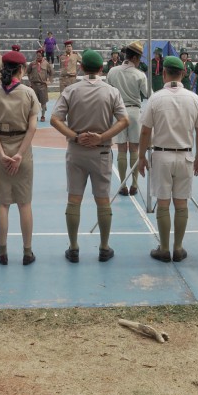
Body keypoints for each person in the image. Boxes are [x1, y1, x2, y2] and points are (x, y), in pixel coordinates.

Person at [52, 49, 129, 262]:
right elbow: (124, 120)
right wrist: (102, 136)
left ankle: (74, 247)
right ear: (102, 68)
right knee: (103, 200)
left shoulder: (71, 90)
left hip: (77, 151)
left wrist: (75, 137)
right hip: (101, 150)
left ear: (81, 67)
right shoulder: (111, 92)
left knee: (74, 199)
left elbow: (55, 119)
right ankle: (104, 247)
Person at [138, 55, 198, 263]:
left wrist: (141, 156)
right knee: (182, 203)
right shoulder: (193, 98)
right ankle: (178, 247)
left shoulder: (156, 98)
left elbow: (145, 131)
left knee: (164, 203)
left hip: (161, 154)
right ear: (183, 74)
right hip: (185, 154)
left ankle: (164, 248)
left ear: (164, 73)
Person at [0, 50, 40, 266]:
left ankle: (3, 252)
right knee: (24, 204)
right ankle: (27, 252)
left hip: (2, 148)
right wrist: (19, 154)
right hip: (22, 151)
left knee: (3, 203)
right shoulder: (28, 93)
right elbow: (33, 127)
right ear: (21, 69)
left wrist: (1, 154)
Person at [106, 41, 149, 196]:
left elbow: (108, 92)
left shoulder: (112, 72)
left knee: (122, 148)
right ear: (136, 58)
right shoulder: (139, 74)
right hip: (134, 112)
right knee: (134, 149)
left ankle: (123, 185)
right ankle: (135, 185)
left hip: (118, 113)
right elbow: (148, 93)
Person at [28, 49, 54, 122]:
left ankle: (43, 115)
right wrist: (30, 80)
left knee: (43, 102)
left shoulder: (46, 64)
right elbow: (28, 72)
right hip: (34, 86)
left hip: (43, 86)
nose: (38, 57)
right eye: (37, 56)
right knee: (33, 102)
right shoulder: (32, 63)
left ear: (42, 56)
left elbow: (51, 73)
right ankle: (35, 116)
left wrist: (49, 81)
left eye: (39, 56)